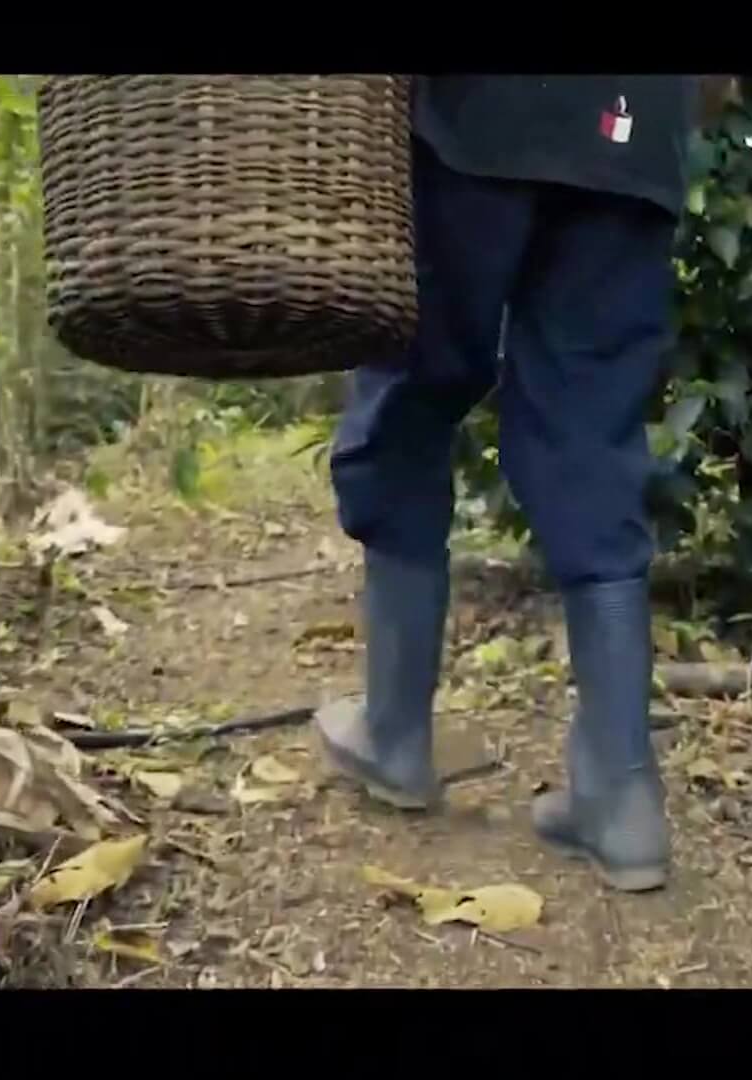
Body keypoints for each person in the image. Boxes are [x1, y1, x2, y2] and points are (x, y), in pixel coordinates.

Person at [313, 75, 730, 893]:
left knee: (413, 389)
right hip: (635, 133)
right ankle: (621, 795)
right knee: (591, 431)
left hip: (479, 116)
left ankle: (395, 733)